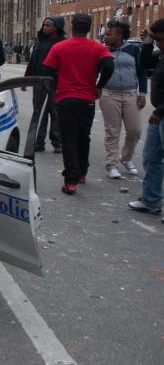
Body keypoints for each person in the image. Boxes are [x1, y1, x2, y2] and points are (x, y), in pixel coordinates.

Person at [42, 13, 114, 195]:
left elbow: (47, 69)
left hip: (66, 98)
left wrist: (58, 82)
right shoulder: (98, 48)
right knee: (84, 136)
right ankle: (82, 172)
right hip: (87, 99)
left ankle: (71, 181)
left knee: (69, 139)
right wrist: (99, 85)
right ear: (89, 28)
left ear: (72, 27)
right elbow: (109, 65)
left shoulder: (60, 47)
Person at [100, 21, 146, 179]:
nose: (105, 36)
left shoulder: (133, 49)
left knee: (135, 130)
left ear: (119, 35)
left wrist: (143, 93)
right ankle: (111, 164)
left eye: (108, 34)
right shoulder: (102, 50)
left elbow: (142, 72)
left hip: (130, 94)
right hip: (109, 94)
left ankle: (126, 158)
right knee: (112, 131)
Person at [131, 20, 164, 216]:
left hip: (160, 113)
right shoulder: (161, 55)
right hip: (158, 116)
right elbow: (144, 64)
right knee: (151, 158)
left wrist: (160, 111)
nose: (158, 43)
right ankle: (151, 201)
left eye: (160, 39)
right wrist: (147, 43)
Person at [25, 17, 66, 153]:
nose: (44, 28)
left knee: (55, 113)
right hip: (39, 81)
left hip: (55, 83)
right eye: (44, 25)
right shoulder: (40, 42)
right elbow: (33, 61)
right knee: (39, 111)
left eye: (48, 25)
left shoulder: (63, 43)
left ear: (56, 27)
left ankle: (57, 141)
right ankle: (38, 142)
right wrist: (26, 79)